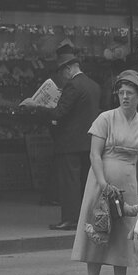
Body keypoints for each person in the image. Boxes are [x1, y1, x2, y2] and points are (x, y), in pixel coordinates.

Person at [70, 68, 138, 275]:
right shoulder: (105, 118)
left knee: (122, 238)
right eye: (121, 92)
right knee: (97, 233)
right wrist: (103, 183)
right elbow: (94, 154)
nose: (125, 97)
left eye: (130, 93)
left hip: (128, 183)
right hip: (101, 182)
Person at [46, 53, 102, 231]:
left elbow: (59, 113)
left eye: (62, 72)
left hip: (70, 142)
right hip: (88, 141)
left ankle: (70, 219)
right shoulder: (93, 85)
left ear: (68, 68)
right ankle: (87, 217)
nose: (62, 77)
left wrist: (38, 107)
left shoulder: (73, 85)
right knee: (85, 181)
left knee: (69, 183)